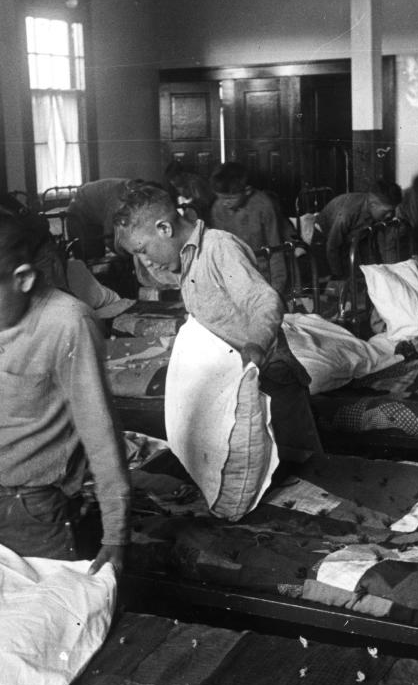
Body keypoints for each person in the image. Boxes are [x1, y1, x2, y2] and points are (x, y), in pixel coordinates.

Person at [0, 205, 130, 570]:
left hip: (36, 511)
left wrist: (115, 534)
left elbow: (101, 432)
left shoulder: (67, 323)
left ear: (21, 279)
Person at [113, 180, 324, 463]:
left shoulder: (218, 248)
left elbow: (265, 301)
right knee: (259, 474)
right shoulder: (186, 258)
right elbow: (154, 274)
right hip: (238, 380)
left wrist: (256, 345)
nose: (145, 261)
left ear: (165, 229)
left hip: (272, 378)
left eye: (142, 250)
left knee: (304, 465)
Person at [208, 161, 288, 294]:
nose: (224, 203)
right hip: (233, 274)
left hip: (262, 274)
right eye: (220, 197)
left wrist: (277, 289)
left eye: (230, 198)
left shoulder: (264, 205)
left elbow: (276, 248)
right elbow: (219, 250)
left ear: (247, 191)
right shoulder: (218, 208)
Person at [318, 178, 404, 279]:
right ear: (373, 205)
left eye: (393, 211)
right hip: (324, 236)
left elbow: (375, 246)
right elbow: (332, 245)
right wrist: (337, 276)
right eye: (387, 211)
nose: (391, 215)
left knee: (359, 271)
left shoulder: (377, 212)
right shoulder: (348, 213)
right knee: (329, 276)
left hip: (349, 234)